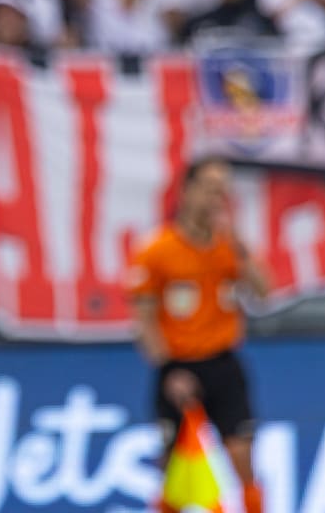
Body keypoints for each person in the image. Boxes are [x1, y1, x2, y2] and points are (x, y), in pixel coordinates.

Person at [127, 156, 271, 513]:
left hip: (223, 363)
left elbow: (265, 292)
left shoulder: (229, 246)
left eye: (222, 190)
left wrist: (239, 246)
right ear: (187, 191)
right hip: (179, 368)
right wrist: (169, 370)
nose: (215, 198)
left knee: (242, 456)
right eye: (208, 187)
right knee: (174, 467)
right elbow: (144, 321)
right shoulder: (157, 250)